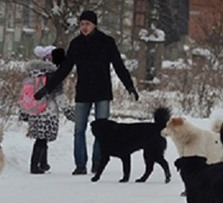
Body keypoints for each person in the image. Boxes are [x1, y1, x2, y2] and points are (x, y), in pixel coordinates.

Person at [34, 10, 139, 175]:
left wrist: (130, 86)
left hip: (102, 92)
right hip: (83, 92)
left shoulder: (106, 42)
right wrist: (47, 88)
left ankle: (98, 162)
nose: (84, 27)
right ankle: (80, 164)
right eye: (82, 24)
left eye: (87, 24)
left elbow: (119, 66)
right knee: (79, 130)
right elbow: (65, 68)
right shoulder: (76, 44)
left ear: (94, 25)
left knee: (103, 130)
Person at [21, 45, 71, 174]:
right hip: (48, 111)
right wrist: (68, 110)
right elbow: (59, 96)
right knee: (42, 139)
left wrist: (24, 112)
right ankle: (34, 166)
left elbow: (25, 94)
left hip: (34, 110)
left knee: (41, 138)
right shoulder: (54, 75)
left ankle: (43, 163)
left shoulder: (32, 73)